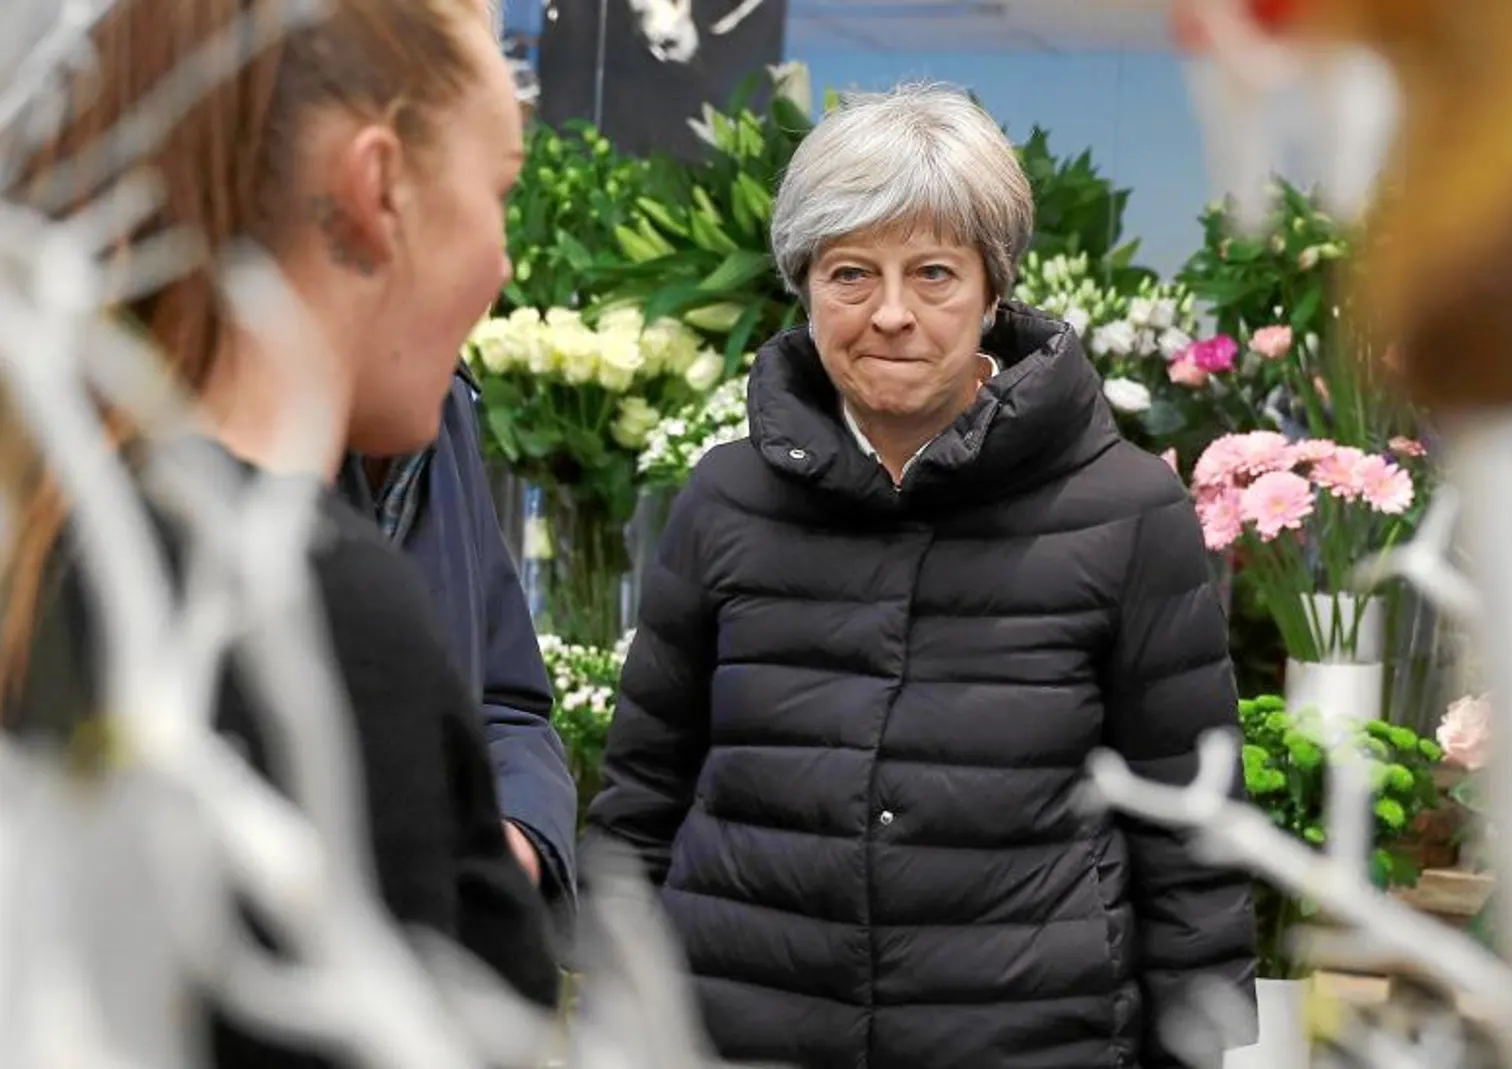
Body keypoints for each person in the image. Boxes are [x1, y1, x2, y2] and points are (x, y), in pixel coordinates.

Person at [586, 83, 1257, 1069]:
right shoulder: (724, 499)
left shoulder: (1123, 511)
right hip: (739, 1032)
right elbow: (643, 792)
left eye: (934, 272)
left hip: (1032, 1039)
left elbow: (1189, 827)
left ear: (993, 291)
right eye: (850, 273)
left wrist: (1197, 1045)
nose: (890, 314)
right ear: (802, 285)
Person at [0, 0, 559, 1063]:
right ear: (378, 187)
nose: (500, 261)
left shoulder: (62, 535)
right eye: (500, 191)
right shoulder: (308, 610)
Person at [338, 368, 579, 921]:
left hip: (428, 951)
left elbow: (508, 703)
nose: (499, 277)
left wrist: (522, 834)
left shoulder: (444, 406)